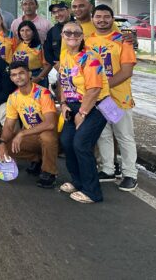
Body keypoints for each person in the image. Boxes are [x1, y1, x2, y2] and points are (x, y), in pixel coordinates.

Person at [87, 4, 139, 192]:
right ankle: (108, 169)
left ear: (112, 19)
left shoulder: (123, 40)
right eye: (98, 16)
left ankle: (130, 174)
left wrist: (101, 86)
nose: (102, 20)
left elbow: (126, 71)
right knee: (104, 134)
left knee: (124, 136)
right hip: (99, 99)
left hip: (118, 97)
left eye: (106, 16)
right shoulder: (88, 41)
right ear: (92, 19)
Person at [58, 21, 110, 204]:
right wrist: (63, 103)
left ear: (82, 36)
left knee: (81, 144)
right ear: (62, 35)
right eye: (68, 33)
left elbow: (95, 89)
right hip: (71, 106)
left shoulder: (90, 57)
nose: (72, 36)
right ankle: (78, 181)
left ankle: (92, 192)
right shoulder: (65, 55)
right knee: (66, 141)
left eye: (76, 33)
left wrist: (83, 113)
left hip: (94, 107)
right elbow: (63, 81)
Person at [0, 61, 59, 189]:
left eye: (21, 73)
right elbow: (8, 126)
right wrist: (2, 142)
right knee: (0, 146)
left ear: (29, 74)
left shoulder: (43, 93)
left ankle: (49, 172)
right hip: (32, 136)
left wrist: (22, 133)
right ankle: (37, 158)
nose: (18, 77)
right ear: (11, 78)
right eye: (14, 75)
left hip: (53, 135)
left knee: (46, 137)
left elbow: (50, 124)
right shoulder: (13, 97)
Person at [14, 20, 52, 87]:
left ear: (33, 32)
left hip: (36, 77)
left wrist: (38, 78)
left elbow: (48, 65)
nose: (25, 33)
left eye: (28, 30)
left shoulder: (40, 47)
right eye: (22, 30)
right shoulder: (17, 45)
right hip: (19, 77)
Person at [44, 1, 74, 71]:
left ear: (68, 10)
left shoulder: (79, 26)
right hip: (61, 70)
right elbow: (47, 50)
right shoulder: (52, 31)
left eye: (60, 10)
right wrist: (54, 64)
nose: (58, 14)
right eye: (54, 12)